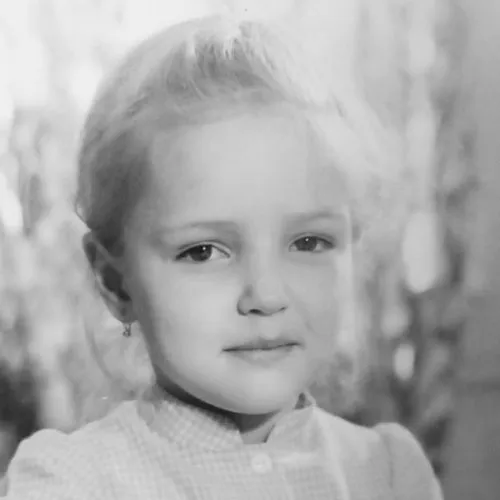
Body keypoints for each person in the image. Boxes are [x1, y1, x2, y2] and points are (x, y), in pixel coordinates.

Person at [1, 15, 442, 500]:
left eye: (309, 242)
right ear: (114, 281)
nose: (266, 296)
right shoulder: (69, 482)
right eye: (204, 252)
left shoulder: (388, 472)